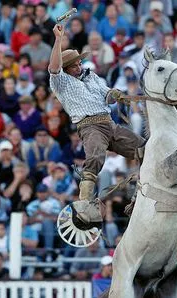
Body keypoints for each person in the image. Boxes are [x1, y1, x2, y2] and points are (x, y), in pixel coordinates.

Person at [48, 24, 146, 230]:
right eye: (74, 65)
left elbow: (106, 94)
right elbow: (53, 68)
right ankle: (84, 202)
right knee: (95, 157)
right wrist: (58, 39)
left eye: (79, 62)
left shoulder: (92, 76)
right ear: (67, 69)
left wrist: (116, 94)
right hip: (89, 126)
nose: (79, 66)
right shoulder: (60, 82)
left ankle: (149, 185)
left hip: (109, 123)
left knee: (143, 148)